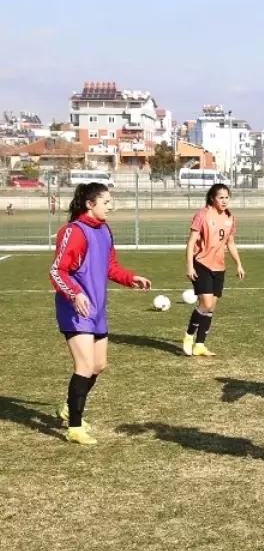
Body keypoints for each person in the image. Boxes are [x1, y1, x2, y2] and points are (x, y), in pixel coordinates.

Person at [49, 183, 152, 445]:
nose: (111, 206)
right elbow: (57, 271)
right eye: (106, 202)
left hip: (97, 310)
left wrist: (130, 278)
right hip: (75, 309)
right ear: (89, 204)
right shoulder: (74, 232)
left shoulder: (104, 230)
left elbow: (110, 267)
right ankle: (74, 427)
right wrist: (74, 294)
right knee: (83, 366)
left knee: (98, 365)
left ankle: (69, 407)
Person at [183, 184, 244, 357]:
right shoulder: (202, 215)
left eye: (226, 197)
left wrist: (238, 263)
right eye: (221, 197)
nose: (224, 201)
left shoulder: (230, 218)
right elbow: (191, 242)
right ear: (212, 198)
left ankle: (200, 345)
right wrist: (189, 266)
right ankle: (188, 335)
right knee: (206, 304)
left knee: (211, 309)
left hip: (219, 266)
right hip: (201, 263)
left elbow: (230, 243)